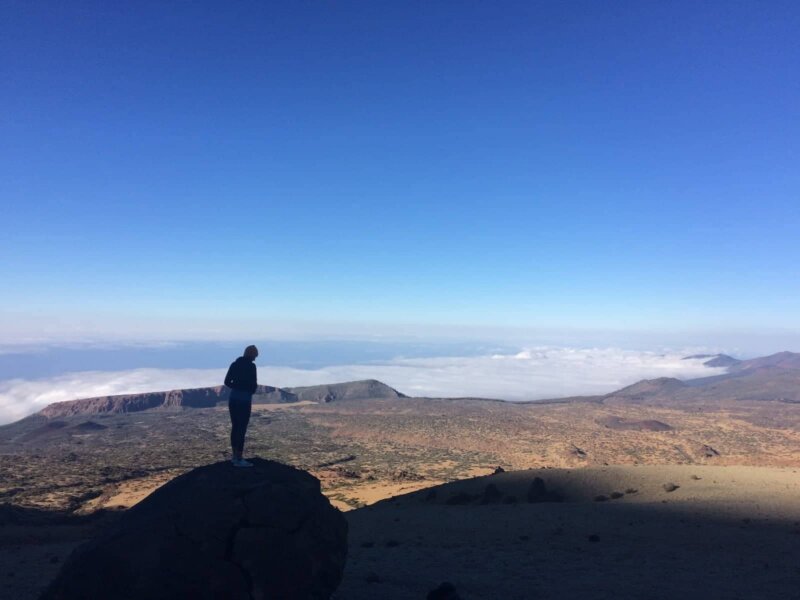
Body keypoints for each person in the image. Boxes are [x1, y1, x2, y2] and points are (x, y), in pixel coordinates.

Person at [223, 345, 259, 467]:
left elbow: (227, 382)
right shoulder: (251, 366)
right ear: (252, 355)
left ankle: (234, 457)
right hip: (244, 401)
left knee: (235, 427)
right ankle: (239, 458)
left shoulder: (234, 364)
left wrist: (237, 386)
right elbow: (254, 385)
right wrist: (247, 389)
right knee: (242, 428)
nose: (255, 358)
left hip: (233, 399)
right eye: (255, 356)